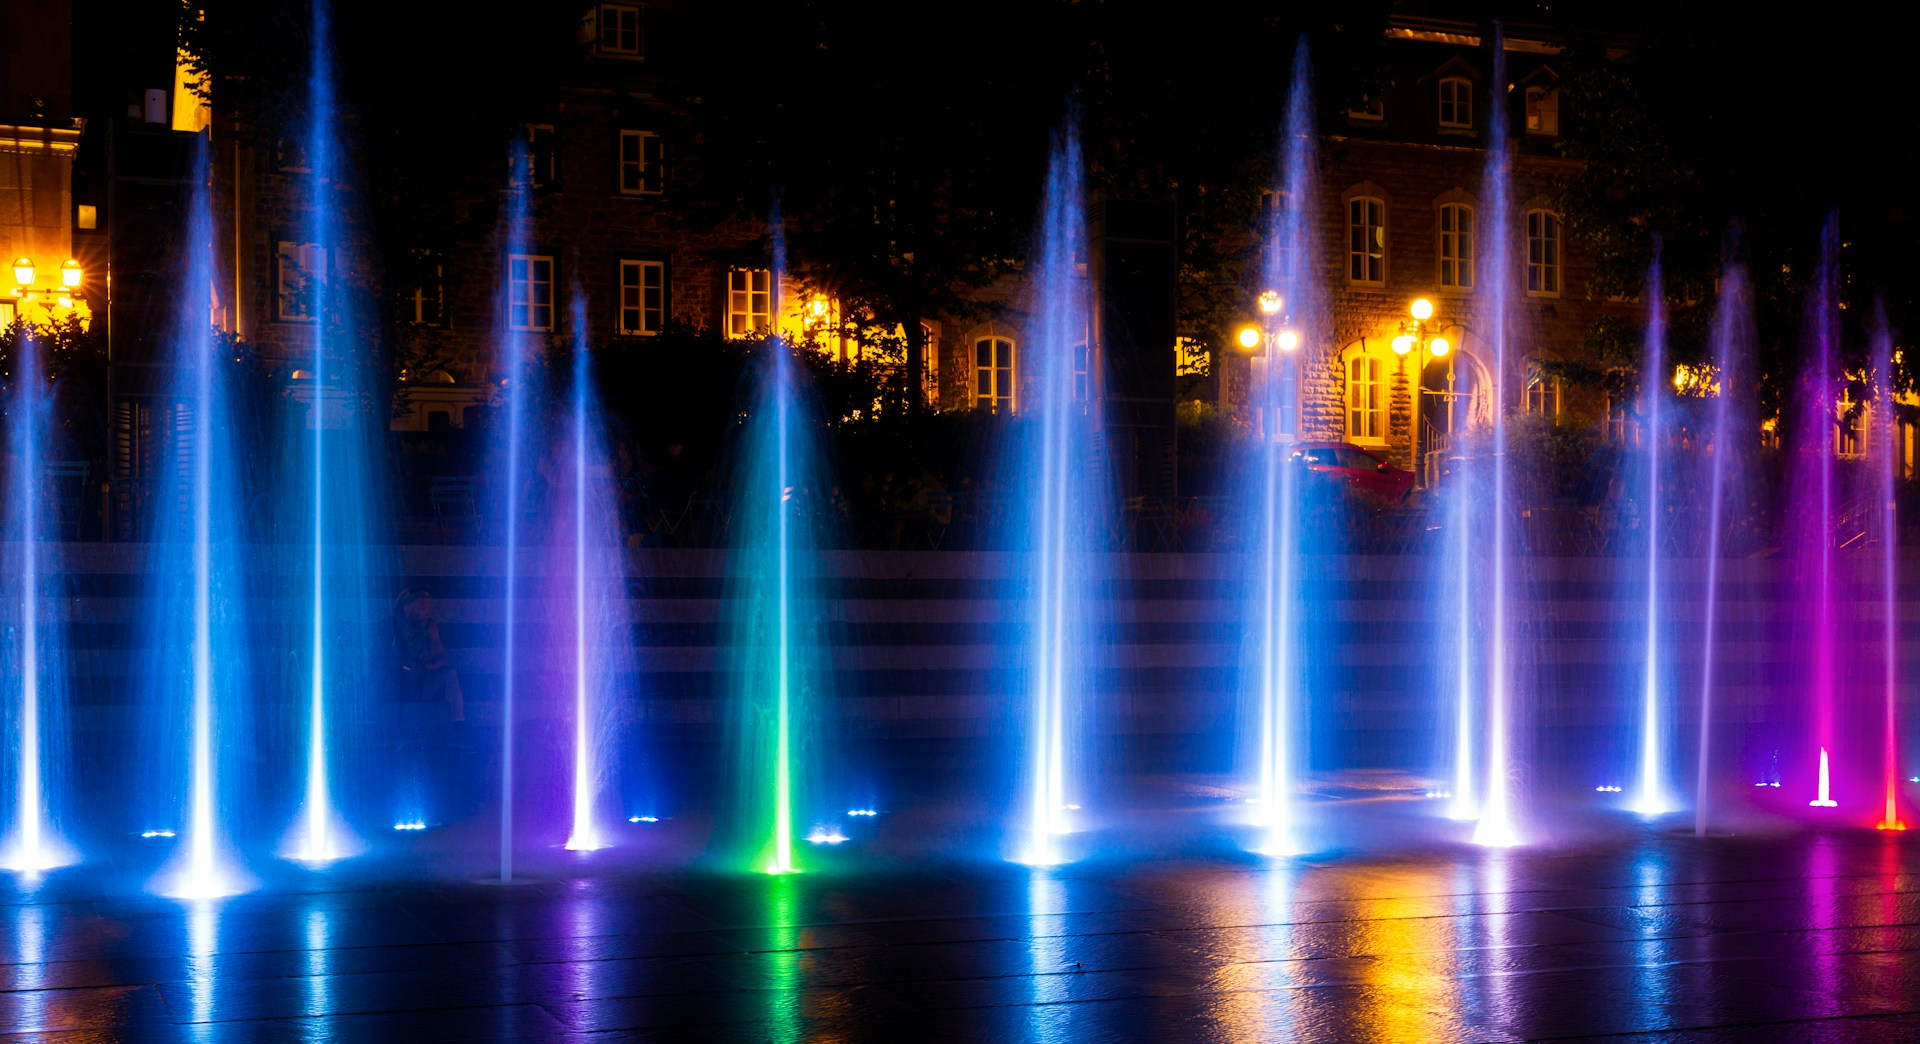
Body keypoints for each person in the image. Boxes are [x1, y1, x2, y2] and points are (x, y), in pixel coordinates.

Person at [390, 589, 464, 824]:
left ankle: (459, 724)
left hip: (425, 677)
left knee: (450, 675)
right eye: (421, 607)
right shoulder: (393, 627)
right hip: (401, 682)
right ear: (406, 606)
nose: (425, 611)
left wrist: (427, 667)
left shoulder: (430, 627)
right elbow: (391, 658)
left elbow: (442, 657)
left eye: (427, 607)